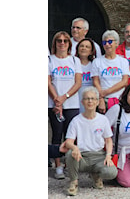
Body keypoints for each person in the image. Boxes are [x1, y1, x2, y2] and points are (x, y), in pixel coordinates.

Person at [64, 87, 118, 196]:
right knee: (70, 154)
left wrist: (108, 155)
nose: (90, 101)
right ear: (82, 102)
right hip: (82, 157)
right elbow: (68, 142)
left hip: (98, 156)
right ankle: (73, 182)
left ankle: (95, 175)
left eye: (93, 98)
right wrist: (74, 148)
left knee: (112, 172)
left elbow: (108, 140)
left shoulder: (103, 119)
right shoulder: (76, 121)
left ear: (98, 102)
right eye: (87, 98)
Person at [48, 31, 82, 179]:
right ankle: (58, 166)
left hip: (72, 104)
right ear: (55, 43)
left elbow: (78, 82)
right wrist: (57, 99)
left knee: (71, 135)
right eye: (59, 41)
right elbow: (47, 82)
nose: (62, 43)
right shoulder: (49, 60)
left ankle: (69, 164)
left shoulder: (75, 61)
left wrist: (64, 97)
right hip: (53, 103)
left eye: (65, 41)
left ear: (69, 44)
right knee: (57, 134)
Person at [92, 30, 130, 113]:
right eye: (104, 42)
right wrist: (101, 99)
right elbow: (95, 82)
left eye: (110, 42)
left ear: (116, 43)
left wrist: (106, 92)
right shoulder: (97, 61)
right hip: (104, 101)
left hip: (120, 100)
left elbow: (124, 81)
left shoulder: (123, 61)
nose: (107, 44)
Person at [74, 38, 97, 113]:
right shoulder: (73, 63)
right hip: (76, 97)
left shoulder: (95, 64)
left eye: (87, 47)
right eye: (82, 46)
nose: (84, 48)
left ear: (91, 51)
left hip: (90, 97)